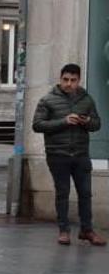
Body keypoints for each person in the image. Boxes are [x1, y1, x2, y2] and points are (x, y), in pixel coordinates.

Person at [33, 63, 105, 246]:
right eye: (65, 79)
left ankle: (86, 230)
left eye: (73, 80)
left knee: (85, 193)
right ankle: (63, 230)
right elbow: (38, 125)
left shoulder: (86, 99)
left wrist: (87, 121)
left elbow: (97, 124)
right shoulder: (48, 100)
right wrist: (64, 121)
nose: (69, 83)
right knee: (62, 193)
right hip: (58, 154)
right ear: (60, 79)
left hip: (81, 154)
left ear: (78, 81)